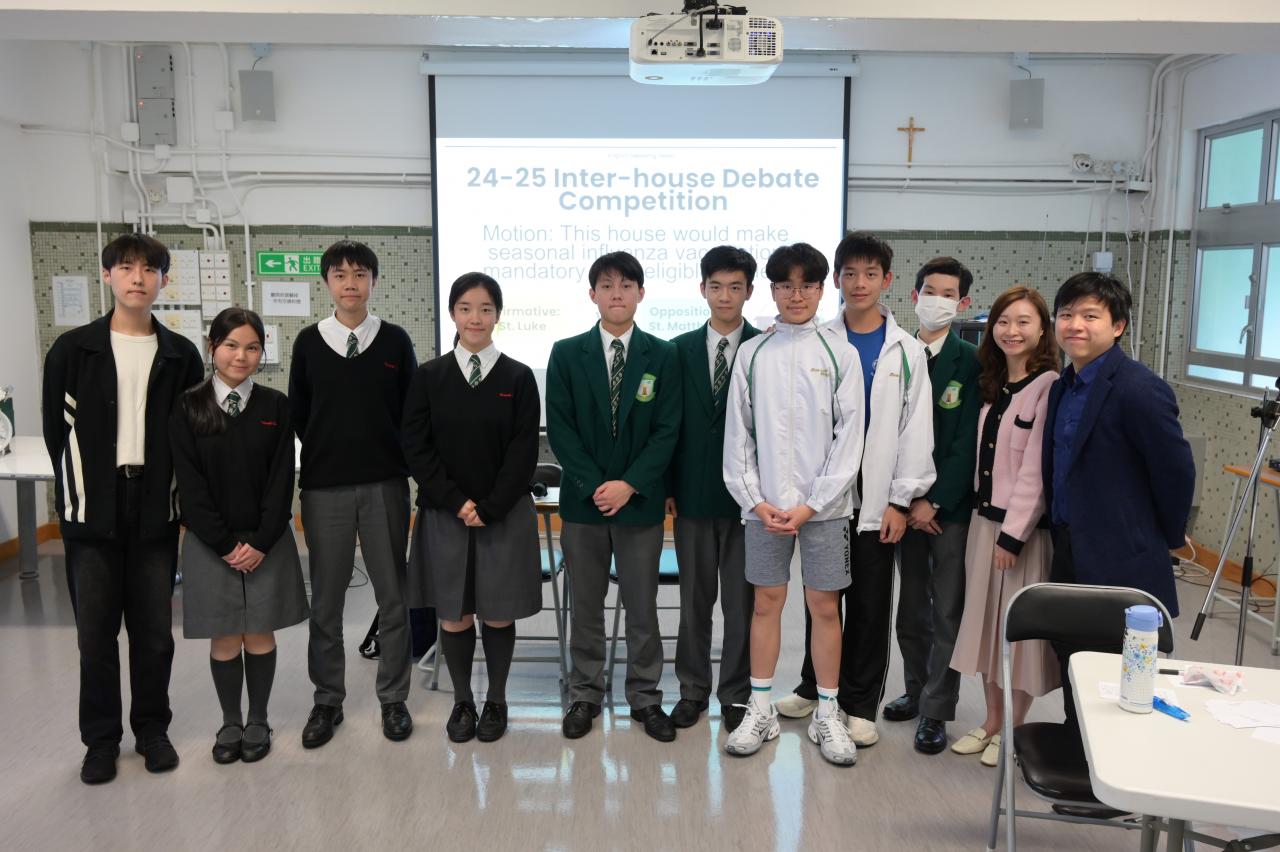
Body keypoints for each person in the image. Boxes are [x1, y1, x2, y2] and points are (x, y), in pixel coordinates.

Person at [42, 233, 203, 784]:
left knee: (155, 634)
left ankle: (152, 730)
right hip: (93, 509)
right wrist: (80, 493)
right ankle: (101, 741)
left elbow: (190, 437)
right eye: (127, 267)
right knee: (95, 636)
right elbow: (57, 434)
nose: (138, 277)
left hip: (155, 504)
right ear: (107, 275)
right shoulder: (73, 350)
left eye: (149, 269)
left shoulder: (180, 354)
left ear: (163, 280)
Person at [776, 231, 935, 749]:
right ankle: (814, 687)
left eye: (870, 274)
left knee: (869, 604)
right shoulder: (816, 339)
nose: (859, 283)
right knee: (821, 599)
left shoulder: (906, 351)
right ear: (836, 281)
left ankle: (859, 704)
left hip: (876, 500)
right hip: (823, 495)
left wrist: (900, 500)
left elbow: (915, 430)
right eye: (850, 274)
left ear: (887, 280)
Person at [722, 242, 865, 765]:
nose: (796, 295)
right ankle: (760, 709)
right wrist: (756, 500)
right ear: (773, 290)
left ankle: (828, 712)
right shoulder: (753, 353)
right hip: (764, 509)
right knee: (766, 603)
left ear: (822, 289)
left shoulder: (840, 353)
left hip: (825, 510)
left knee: (824, 607)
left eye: (806, 285)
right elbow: (738, 435)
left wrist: (813, 503)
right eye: (785, 285)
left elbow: (850, 437)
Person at [1043, 272, 1194, 730]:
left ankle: (1114, 764)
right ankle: (1077, 749)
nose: (1075, 325)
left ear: (1118, 326)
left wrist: (1163, 536)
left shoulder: (1137, 388)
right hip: (1069, 545)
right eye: (1066, 314)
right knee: (1071, 655)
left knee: (1117, 671)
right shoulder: (1062, 385)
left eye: (1091, 316)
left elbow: (1176, 471)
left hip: (1122, 554)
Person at [546, 250, 682, 742]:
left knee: (642, 606)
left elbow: (667, 431)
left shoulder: (663, 355)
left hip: (639, 504)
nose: (617, 294)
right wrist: (596, 485)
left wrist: (629, 485)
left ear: (641, 293)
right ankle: (585, 693)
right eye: (607, 285)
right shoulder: (566, 353)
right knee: (586, 606)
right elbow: (560, 430)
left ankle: (645, 697)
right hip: (584, 506)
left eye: (626, 285)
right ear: (592, 294)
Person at [288, 239, 417, 748]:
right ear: (326, 283)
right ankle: (327, 700)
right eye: (340, 275)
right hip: (325, 490)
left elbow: (411, 413)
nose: (350, 284)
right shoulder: (308, 341)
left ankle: (394, 699)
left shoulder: (395, 341)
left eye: (360, 274)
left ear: (373, 282)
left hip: (385, 485)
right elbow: (301, 413)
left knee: (393, 598)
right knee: (327, 602)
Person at [402, 273, 541, 744]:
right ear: (453, 314)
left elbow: (523, 451)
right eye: (465, 308)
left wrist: (491, 506)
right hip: (446, 514)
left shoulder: (518, 377)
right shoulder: (429, 376)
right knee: (454, 613)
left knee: (498, 612)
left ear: (497, 314)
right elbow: (417, 447)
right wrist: (457, 502)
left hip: (503, 515)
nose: (475, 318)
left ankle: (496, 700)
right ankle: (463, 700)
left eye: (485, 308)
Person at [169, 308, 309, 765]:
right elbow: (190, 487)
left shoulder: (275, 406)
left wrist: (262, 541)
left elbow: (280, 481)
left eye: (252, 347)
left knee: (259, 633)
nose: (241, 356)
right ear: (212, 347)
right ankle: (231, 720)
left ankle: (259, 719)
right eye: (231, 345)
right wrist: (226, 545)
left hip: (266, 541)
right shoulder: (189, 406)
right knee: (226, 637)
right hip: (211, 544)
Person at [949, 286, 1061, 766]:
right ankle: (991, 722)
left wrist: (1013, 536)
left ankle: (1014, 729)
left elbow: (1036, 471)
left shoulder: (1048, 385)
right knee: (984, 629)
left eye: (1023, 322)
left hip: (1022, 534)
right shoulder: (993, 384)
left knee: (1018, 635)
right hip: (983, 523)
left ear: (1042, 329)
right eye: (1003, 321)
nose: (1011, 331)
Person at [882, 256, 982, 755]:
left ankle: (937, 709)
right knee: (911, 611)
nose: (937, 300)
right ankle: (916, 689)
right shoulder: (896, 353)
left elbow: (967, 444)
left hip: (949, 513)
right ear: (913, 295)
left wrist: (936, 501)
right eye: (930, 291)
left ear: (963, 303)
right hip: (902, 508)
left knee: (946, 612)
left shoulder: (972, 362)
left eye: (948, 294)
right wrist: (903, 500)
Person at [667, 246, 761, 733]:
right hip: (691, 494)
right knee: (694, 601)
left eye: (735, 287)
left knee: (741, 604)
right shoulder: (677, 349)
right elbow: (666, 426)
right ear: (702, 289)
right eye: (717, 286)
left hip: (750, 501)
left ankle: (736, 694)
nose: (726, 296)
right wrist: (667, 486)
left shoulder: (765, 347)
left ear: (749, 291)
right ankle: (692, 690)